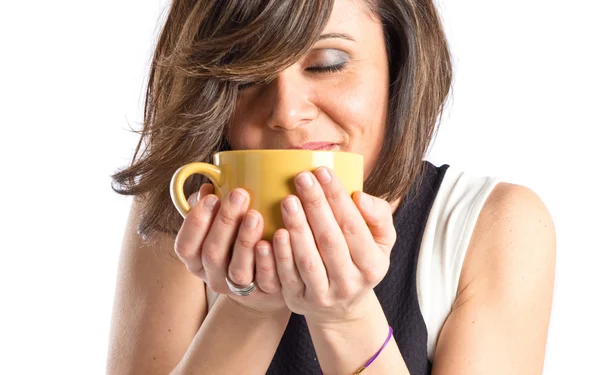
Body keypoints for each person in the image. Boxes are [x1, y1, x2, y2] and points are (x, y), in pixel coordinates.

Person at [107, 0, 556, 374]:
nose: (286, 110)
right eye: (247, 75)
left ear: (398, 63)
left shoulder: (494, 225)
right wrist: (250, 308)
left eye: (326, 65)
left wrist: (345, 314)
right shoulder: (185, 210)